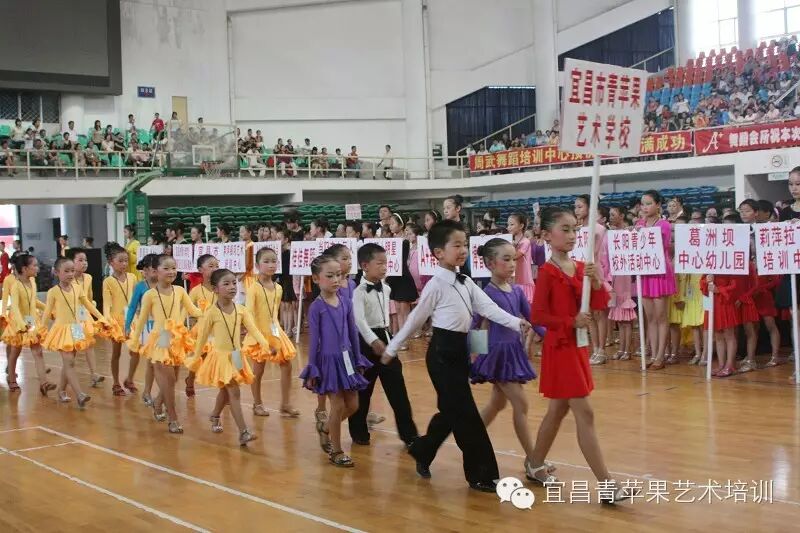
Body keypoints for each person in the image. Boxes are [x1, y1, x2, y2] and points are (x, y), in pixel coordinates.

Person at [381, 220, 532, 492]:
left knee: (451, 412)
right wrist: (392, 349)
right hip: (442, 354)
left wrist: (516, 322)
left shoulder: (466, 281)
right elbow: (415, 319)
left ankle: (422, 450)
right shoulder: (435, 285)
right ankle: (481, 474)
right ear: (439, 252)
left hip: (459, 351)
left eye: (465, 244)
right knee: (466, 415)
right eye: (457, 245)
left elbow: (487, 308)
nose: (463, 250)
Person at [528, 207, 636, 503]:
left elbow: (599, 305)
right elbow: (538, 315)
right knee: (584, 413)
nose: (572, 235)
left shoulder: (580, 267)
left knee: (557, 411)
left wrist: (597, 281)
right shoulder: (548, 272)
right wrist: (569, 321)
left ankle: (534, 463)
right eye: (564, 229)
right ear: (547, 235)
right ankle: (607, 485)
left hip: (577, 346)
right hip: (560, 347)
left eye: (574, 229)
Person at [471, 238, 540, 479]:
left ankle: (470, 440)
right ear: (491, 263)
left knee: (497, 404)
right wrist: (477, 358)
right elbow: (475, 324)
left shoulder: (518, 291)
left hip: (513, 353)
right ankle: (533, 459)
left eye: (514, 259)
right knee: (521, 404)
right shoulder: (486, 293)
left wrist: (552, 337)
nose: (512, 264)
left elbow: (534, 319)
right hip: (498, 356)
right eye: (506, 259)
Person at [299, 255, 372, 467]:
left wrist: (357, 358)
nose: (335, 280)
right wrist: (313, 368)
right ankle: (337, 451)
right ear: (316, 279)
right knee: (337, 405)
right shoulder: (316, 307)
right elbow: (314, 341)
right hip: (328, 362)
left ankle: (326, 428)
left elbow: (353, 332)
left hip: (347, 359)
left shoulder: (346, 302)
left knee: (354, 405)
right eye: (330, 276)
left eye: (338, 275)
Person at [186, 269, 270, 445]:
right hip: (221, 358)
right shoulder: (211, 312)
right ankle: (243, 431)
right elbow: (202, 338)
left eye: (234, 283)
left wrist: (266, 345)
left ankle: (215, 415)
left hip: (237, 356)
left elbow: (254, 330)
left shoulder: (241, 310)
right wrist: (195, 357)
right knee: (234, 391)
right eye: (226, 284)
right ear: (215, 289)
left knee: (225, 392)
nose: (232, 287)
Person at [348, 243, 419, 447]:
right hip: (366, 342)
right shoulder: (359, 291)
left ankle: (409, 435)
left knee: (398, 391)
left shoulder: (386, 288)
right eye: (379, 263)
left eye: (386, 263)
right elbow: (359, 320)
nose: (384, 267)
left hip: (385, 337)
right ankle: (358, 432)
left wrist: (388, 339)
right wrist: (373, 341)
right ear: (365, 265)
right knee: (364, 391)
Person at [128, 255, 201, 433]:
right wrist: (134, 341)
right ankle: (173, 418)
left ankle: (158, 403)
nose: (171, 272)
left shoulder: (180, 291)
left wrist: (212, 310)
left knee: (172, 380)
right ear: (156, 271)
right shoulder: (150, 295)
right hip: (160, 339)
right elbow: (142, 319)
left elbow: (193, 311)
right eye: (166, 268)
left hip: (177, 340)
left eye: (174, 268)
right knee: (168, 381)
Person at [41, 257, 107, 407]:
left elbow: (88, 304)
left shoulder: (77, 288)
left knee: (69, 362)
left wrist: (101, 317)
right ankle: (79, 394)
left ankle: (61, 391)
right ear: (57, 272)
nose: (70, 274)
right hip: (62, 330)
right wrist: (41, 328)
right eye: (66, 271)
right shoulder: (53, 292)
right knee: (69, 362)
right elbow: (47, 312)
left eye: (72, 270)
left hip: (76, 329)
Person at [243, 247, 300, 418]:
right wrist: (261, 339)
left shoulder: (278, 288)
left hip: (275, 331)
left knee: (287, 365)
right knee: (258, 370)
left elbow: (274, 313)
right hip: (258, 333)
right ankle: (257, 403)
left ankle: (285, 403)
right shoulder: (253, 288)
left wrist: (276, 334)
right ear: (257, 265)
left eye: (274, 261)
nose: (271, 265)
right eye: (266, 261)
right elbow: (248, 315)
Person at [1, 254, 54, 394]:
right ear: (24, 269)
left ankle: (44, 383)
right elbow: (15, 307)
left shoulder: (33, 282)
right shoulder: (15, 285)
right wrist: (20, 324)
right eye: (34, 265)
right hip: (18, 323)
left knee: (38, 351)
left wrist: (48, 310)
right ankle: (12, 379)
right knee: (15, 352)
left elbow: (34, 301)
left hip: (31, 321)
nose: (37, 268)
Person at [635, 190, 676, 370]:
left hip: (660, 272)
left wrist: (642, 232)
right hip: (645, 272)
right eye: (643, 204)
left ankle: (661, 355)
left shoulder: (664, 225)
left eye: (649, 203)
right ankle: (652, 354)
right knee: (650, 317)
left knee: (661, 316)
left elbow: (662, 246)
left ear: (658, 205)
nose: (645, 207)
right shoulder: (639, 224)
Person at [102, 242, 142, 395]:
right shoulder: (108, 281)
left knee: (135, 351)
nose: (124, 264)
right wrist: (107, 320)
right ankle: (115, 383)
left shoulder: (132, 277)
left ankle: (129, 379)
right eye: (120, 261)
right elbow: (107, 304)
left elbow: (137, 299)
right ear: (111, 262)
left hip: (132, 320)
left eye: (126, 260)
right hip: (117, 320)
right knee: (116, 353)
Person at [125, 254, 159, 405]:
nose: (156, 272)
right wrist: (127, 326)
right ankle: (130, 379)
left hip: (161, 327)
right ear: (145, 270)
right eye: (153, 269)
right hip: (144, 326)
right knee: (136, 354)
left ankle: (150, 391)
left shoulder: (166, 285)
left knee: (156, 361)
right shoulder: (140, 286)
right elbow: (132, 307)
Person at [66, 248, 104, 387]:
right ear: (71, 262)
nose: (84, 263)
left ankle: (94, 374)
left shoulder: (88, 277)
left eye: (85, 260)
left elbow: (89, 297)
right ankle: (67, 378)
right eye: (80, 260)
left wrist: (92, 308)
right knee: (74, 348)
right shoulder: (68, 280)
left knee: (89, 344)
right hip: (74, 318)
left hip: (85, 316)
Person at [185, 253, 219, 397]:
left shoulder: (221, 288)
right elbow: (187, 309)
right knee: (198, 358)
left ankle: (226, 389)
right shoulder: (196, 291)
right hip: (201, 331)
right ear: (200, 270)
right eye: (211, 266)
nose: (215, 269)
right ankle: (190, 379)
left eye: (217, 266)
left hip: (219, 330)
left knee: (222, 359)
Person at [386, 214, 418, 341]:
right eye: (390, 224)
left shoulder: (404, 241)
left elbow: (401, 260)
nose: (391, 226)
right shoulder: (390, 241)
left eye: (393, 223)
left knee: (404, 310)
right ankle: (401, 338)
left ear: (401, 225)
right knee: (398, 309)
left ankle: (406, 337)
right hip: (393, 278)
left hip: (403, 277)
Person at [700, 271, 739, 378]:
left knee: (729, 335)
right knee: (718, 336)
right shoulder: (709, 266)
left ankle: (729, 365)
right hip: (713, 302)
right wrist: (707, 281)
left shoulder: (730, 265)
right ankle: (721, 364)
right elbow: (702, 282)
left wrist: (719, 290)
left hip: (725, 302)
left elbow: (735, 285)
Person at [507, 212, 536, 307]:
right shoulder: (510, 242)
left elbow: (515, 256)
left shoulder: (525, 242)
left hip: (524, 279)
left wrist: (508, 246)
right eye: (508, 225)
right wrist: (499, 238)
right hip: (512, 279)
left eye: (512, 224)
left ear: (521, 226)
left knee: (525, 308)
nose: (509, 227)